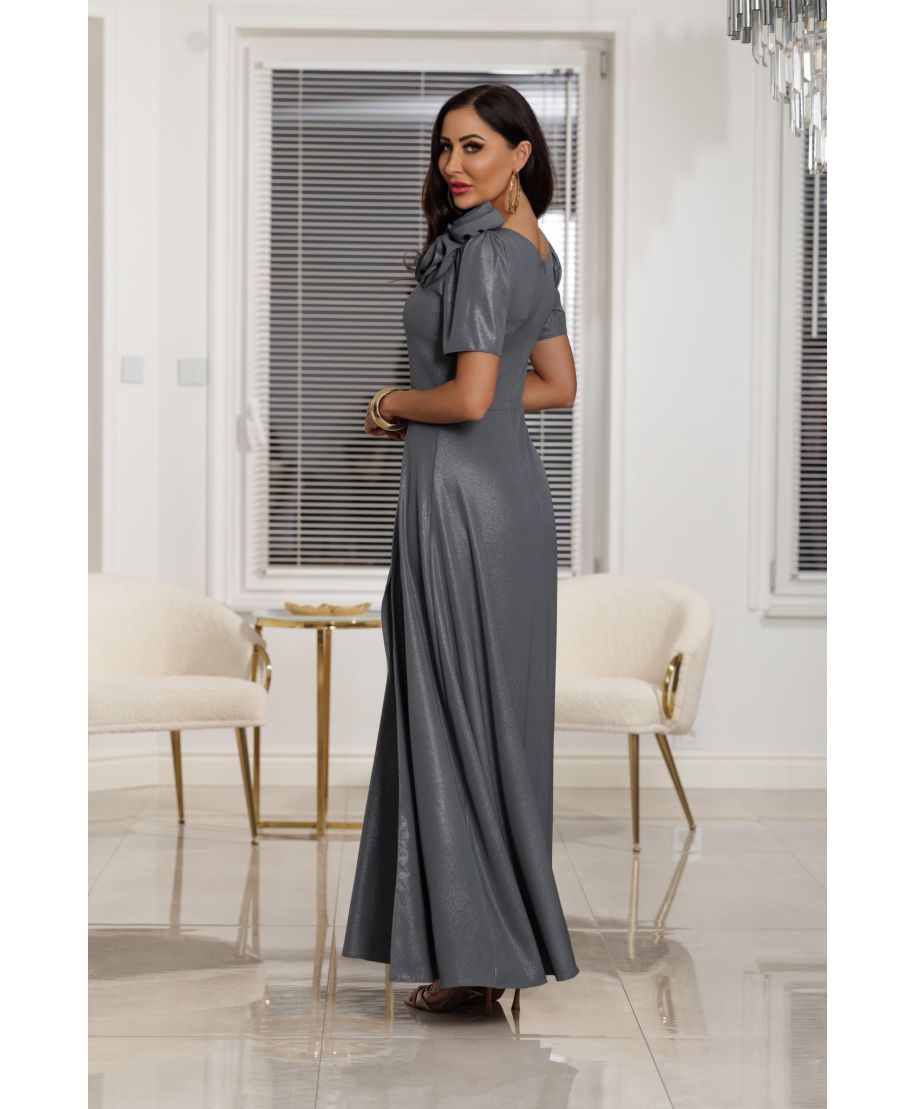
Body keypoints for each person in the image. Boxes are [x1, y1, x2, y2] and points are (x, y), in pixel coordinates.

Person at [341, 83, 580, 1015]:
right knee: (489, 719)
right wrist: (450, 401)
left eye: (474, 146)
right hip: (506, 501)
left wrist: (394, 404)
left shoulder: (484, 254)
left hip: (459, 504)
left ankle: (476, 955)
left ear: (521, 152)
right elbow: (552, 384)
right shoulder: (530, 247)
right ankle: (484, 948)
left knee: (451, 716)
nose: (452, 165)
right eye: (444, 147)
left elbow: (473, 397)